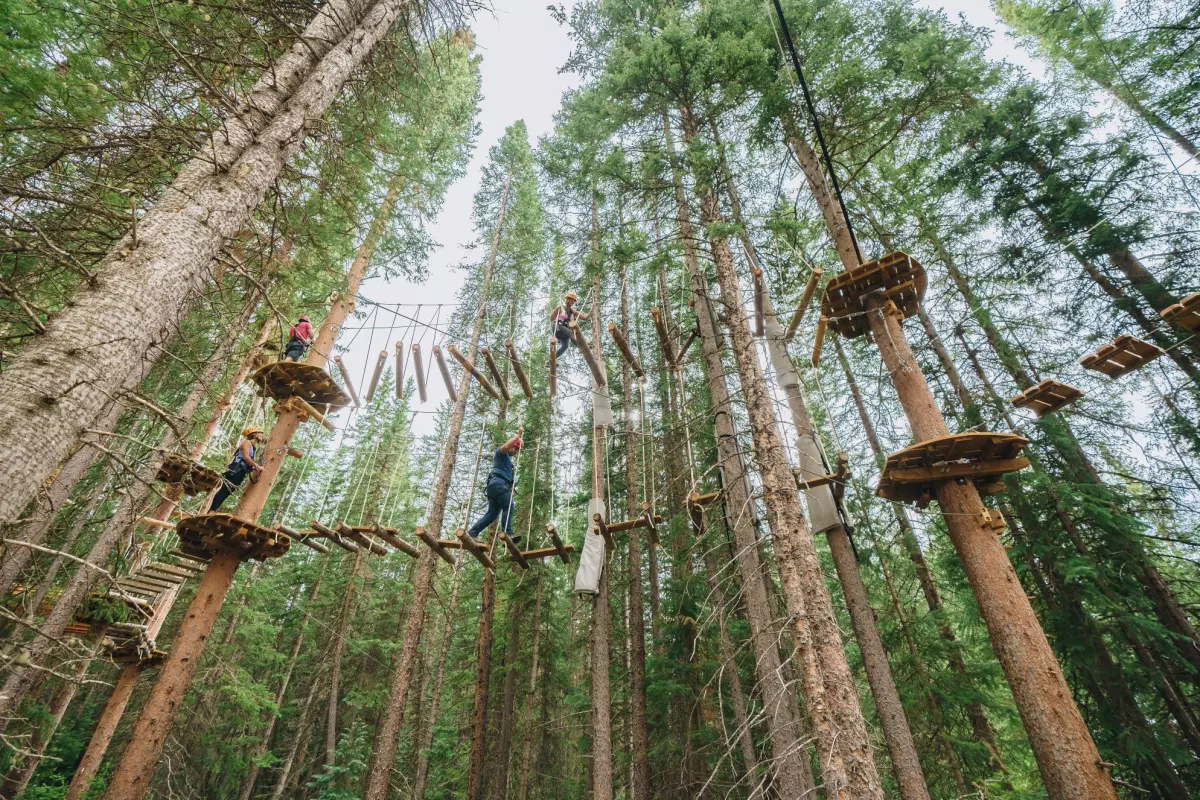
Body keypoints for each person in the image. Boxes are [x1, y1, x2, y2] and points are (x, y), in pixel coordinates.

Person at [466, 428, 524, 543]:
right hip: (498, 485)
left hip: (496, 487)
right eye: (515, 448)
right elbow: (506, 447)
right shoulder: (500, 453)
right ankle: (508, 533)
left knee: (492, 514)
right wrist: (518, 436)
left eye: (518, 450)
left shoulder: (508, 462)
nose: (516, 451)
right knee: (509, 505)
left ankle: (472, 533)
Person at [209, 427, 266, 511]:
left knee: (227, 492)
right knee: (224, 490)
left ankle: (212, 510)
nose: (262, 435)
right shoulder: (247, 442)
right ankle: (211, 510)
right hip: (236, 470)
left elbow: (246, 461)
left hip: (241, 471)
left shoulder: (253, 447)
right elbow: (246, 457)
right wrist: (257, 466)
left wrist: (253, 467)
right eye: (260, 433)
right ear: (254, 434)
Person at [550, 292, 589, 358]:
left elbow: (585, 318)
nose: (573, 302)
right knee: (570, 332)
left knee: (565, 346)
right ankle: (582, 347)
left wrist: (591, 311)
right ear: (567, 299)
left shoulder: (572, 312)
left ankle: (551, 359)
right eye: (572, 300)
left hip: (565, 333)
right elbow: (551, 318)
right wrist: (556, 309)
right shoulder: (561, 308)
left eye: (574, 301)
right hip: (558, 327)